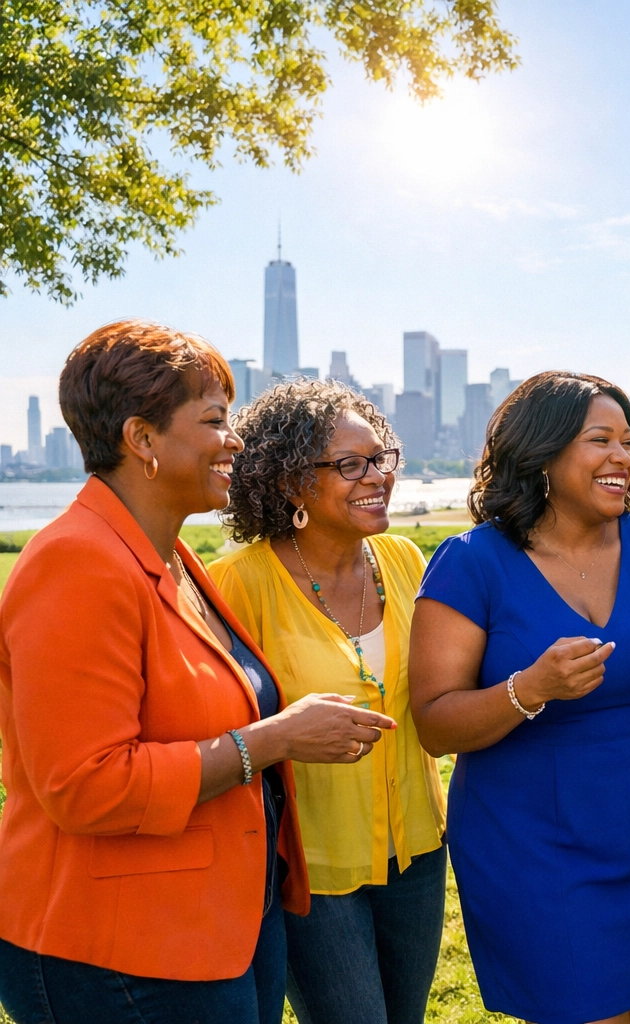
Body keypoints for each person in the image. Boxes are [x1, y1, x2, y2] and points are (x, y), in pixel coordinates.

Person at [0, 320, 394, 1024]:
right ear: (142, 440)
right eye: (214, 420)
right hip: (119, 956)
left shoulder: (174, 560)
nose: (235, 440)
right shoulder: (78, 563)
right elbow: (85, 787)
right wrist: (274, 740)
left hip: (221, 928)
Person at [409, 371, 630, 1024]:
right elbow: (434, 724)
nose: (623, 457)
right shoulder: (470, 563)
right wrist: (528, 689)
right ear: (543, 454)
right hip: (531, 848)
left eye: (629, 442)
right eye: (602, 439)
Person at [209, 379, 447, 1024]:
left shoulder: (403, 559)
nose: (376, 477)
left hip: (420, 852)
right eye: (349, 465)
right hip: (310, 866)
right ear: (290, 483)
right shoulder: (237, 582)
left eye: (380, 458)